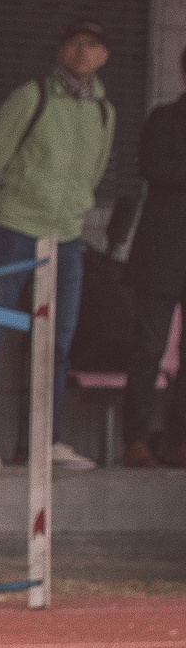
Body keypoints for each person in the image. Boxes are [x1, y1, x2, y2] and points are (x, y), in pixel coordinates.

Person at [0, 18, 114, 471]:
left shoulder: (105, 110)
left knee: (57, 342)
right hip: (13, 227)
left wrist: (73, 212)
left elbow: (96, 170)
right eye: (76, 43)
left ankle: (43, 441)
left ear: (105, 56)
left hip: (65, 236)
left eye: (94, 45)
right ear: (62, 49)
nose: (84, 52)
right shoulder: (33, 95)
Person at [125, 45, 186, 467]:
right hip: (162, 251)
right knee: (149, 346)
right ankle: (137, 440)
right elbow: (153, 166)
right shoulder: (164, 118)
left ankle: (179, 441)